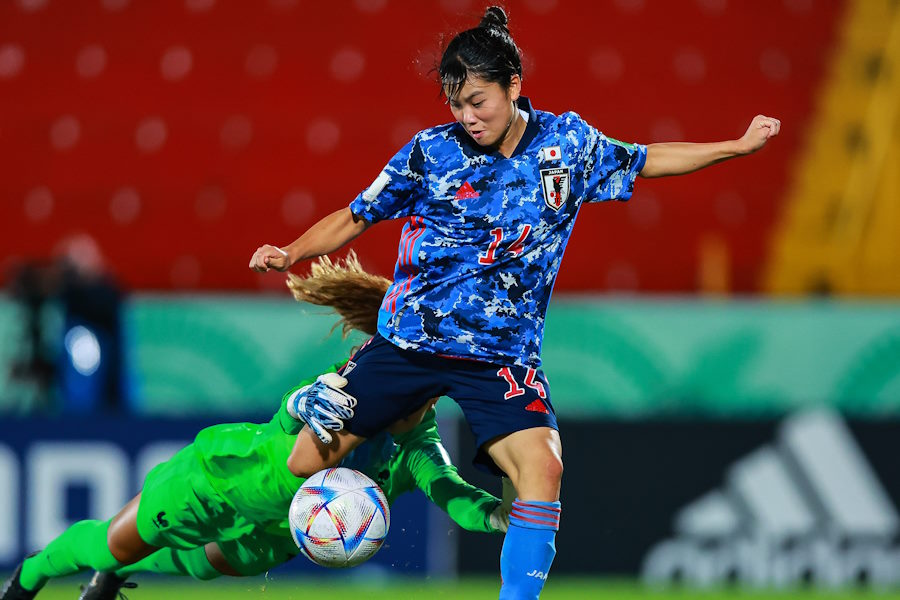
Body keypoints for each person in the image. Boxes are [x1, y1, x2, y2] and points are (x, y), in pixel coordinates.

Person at [247, 7, 781, 598]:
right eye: (455, 104)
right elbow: (355, 215)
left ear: (514, 86)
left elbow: (647, 159)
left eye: (479, 101)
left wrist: (736, 147)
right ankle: (345, 427)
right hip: (409, 342)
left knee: (543, 469)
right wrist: (291, 250)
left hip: (501, 356)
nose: (467, 117)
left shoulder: (568, 145)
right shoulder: (428, 154)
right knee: (303, 463)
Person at [0, 254, 508, 600]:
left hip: (273, 533)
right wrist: (301, 402)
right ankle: (30, 575)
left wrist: (496, 516)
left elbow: (449, 490)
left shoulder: (418, 441)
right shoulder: (356, 386)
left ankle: (118, 574)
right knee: (111, 543)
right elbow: (290, 414)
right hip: (224, 483)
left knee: (189, 566)